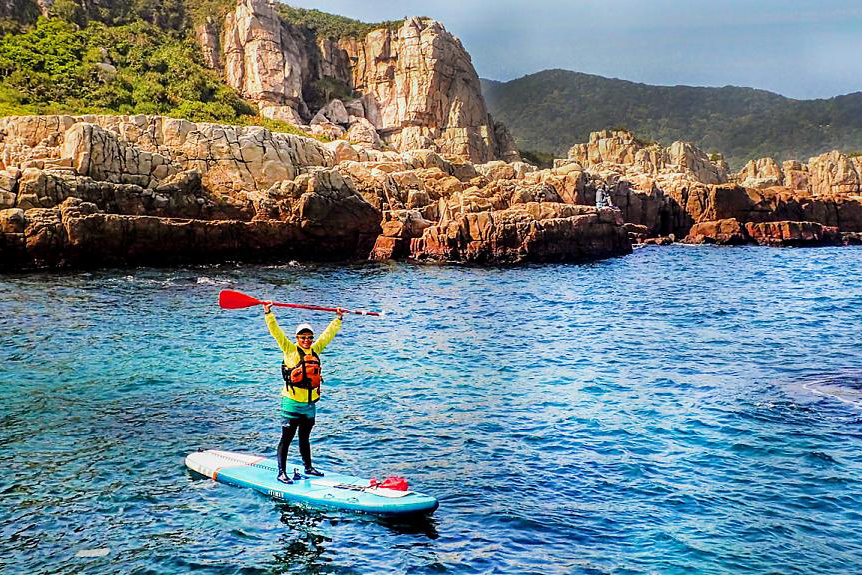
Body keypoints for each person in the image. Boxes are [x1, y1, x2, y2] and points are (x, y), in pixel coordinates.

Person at [263, 301, 343, 484]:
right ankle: (281, 472)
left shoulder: (315, 349)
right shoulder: (289, 349)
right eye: (302, 337)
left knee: (305, 437)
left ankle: (308, 467)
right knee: (287, 438)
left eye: (309, 337)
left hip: (309, 404)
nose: (306, 340)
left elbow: (328, 335)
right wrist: (268, 313)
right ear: (297, 338)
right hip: (291, 403)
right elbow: (276, 332)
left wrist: (338, 318)